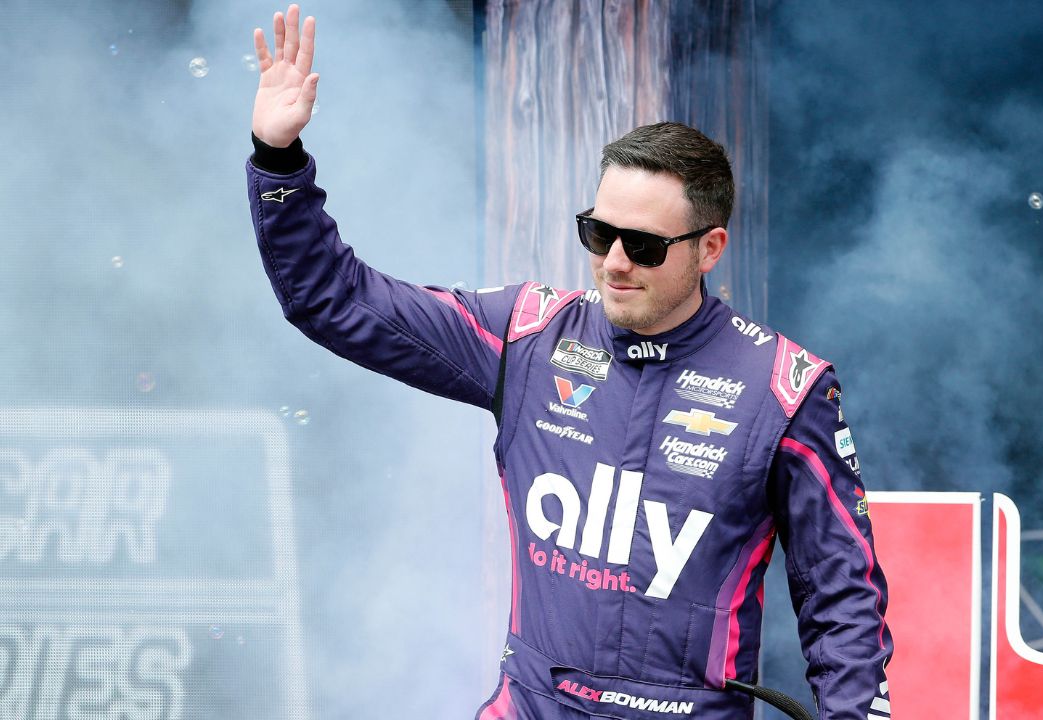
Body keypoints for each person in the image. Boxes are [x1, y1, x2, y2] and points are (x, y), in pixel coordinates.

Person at [246, 6, 892, 719]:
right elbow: (335, 301)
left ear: (710, 249)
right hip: (533, 705)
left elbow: (843, 602)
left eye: (643, 245)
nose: (614, 262)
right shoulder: (528, 333)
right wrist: (280, 163)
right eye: (599, 232)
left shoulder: (785, 389)